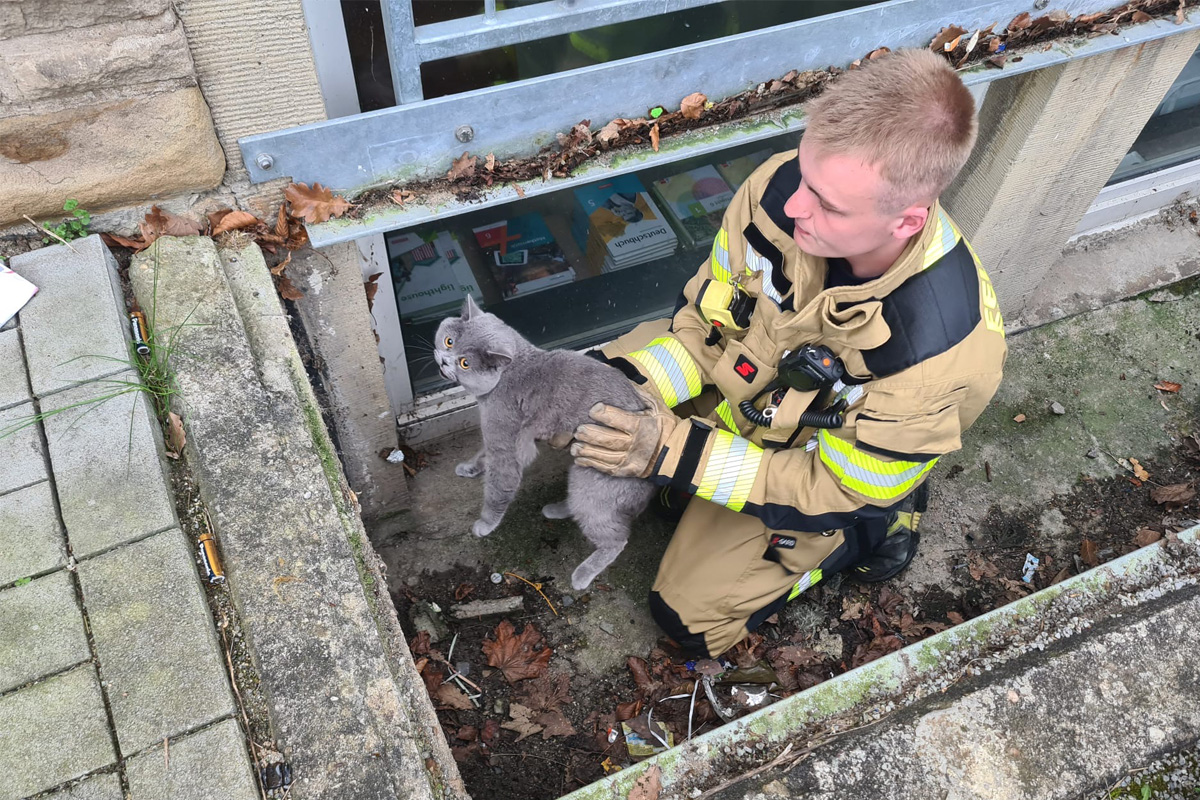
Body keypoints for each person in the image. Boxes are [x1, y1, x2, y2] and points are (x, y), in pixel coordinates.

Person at [569, 49, 1008, 659]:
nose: (795, 205)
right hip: (762, 397)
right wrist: (631, 390)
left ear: (908, 221)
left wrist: (675, 451)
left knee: (688, 619)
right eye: (805, 175)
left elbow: (827, 483)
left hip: (826, 463)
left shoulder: (931, 356)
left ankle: (876, 527)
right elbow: (707, 324)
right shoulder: (777, 192)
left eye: (828, 204)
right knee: (580, 397)